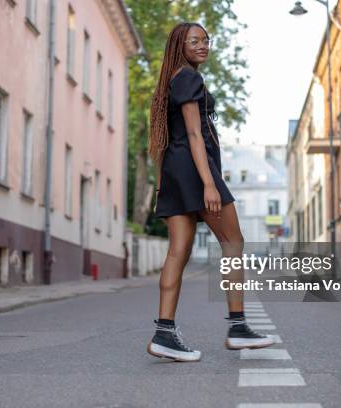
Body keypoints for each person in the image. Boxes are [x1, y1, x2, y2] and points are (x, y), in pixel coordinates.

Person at [145, 22, 274, 362]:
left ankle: (164, 333)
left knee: (178, 251)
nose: (203, 45)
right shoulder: (189, 77)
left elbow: (164, 139)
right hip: (193, 169)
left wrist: (163, 183)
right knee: (233, 242)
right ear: (179, 44)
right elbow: (193, 134)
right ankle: (238, 327)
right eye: (194, 41)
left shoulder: (170, 79)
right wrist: (208, 183)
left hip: (175, 171)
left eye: (206, 40)